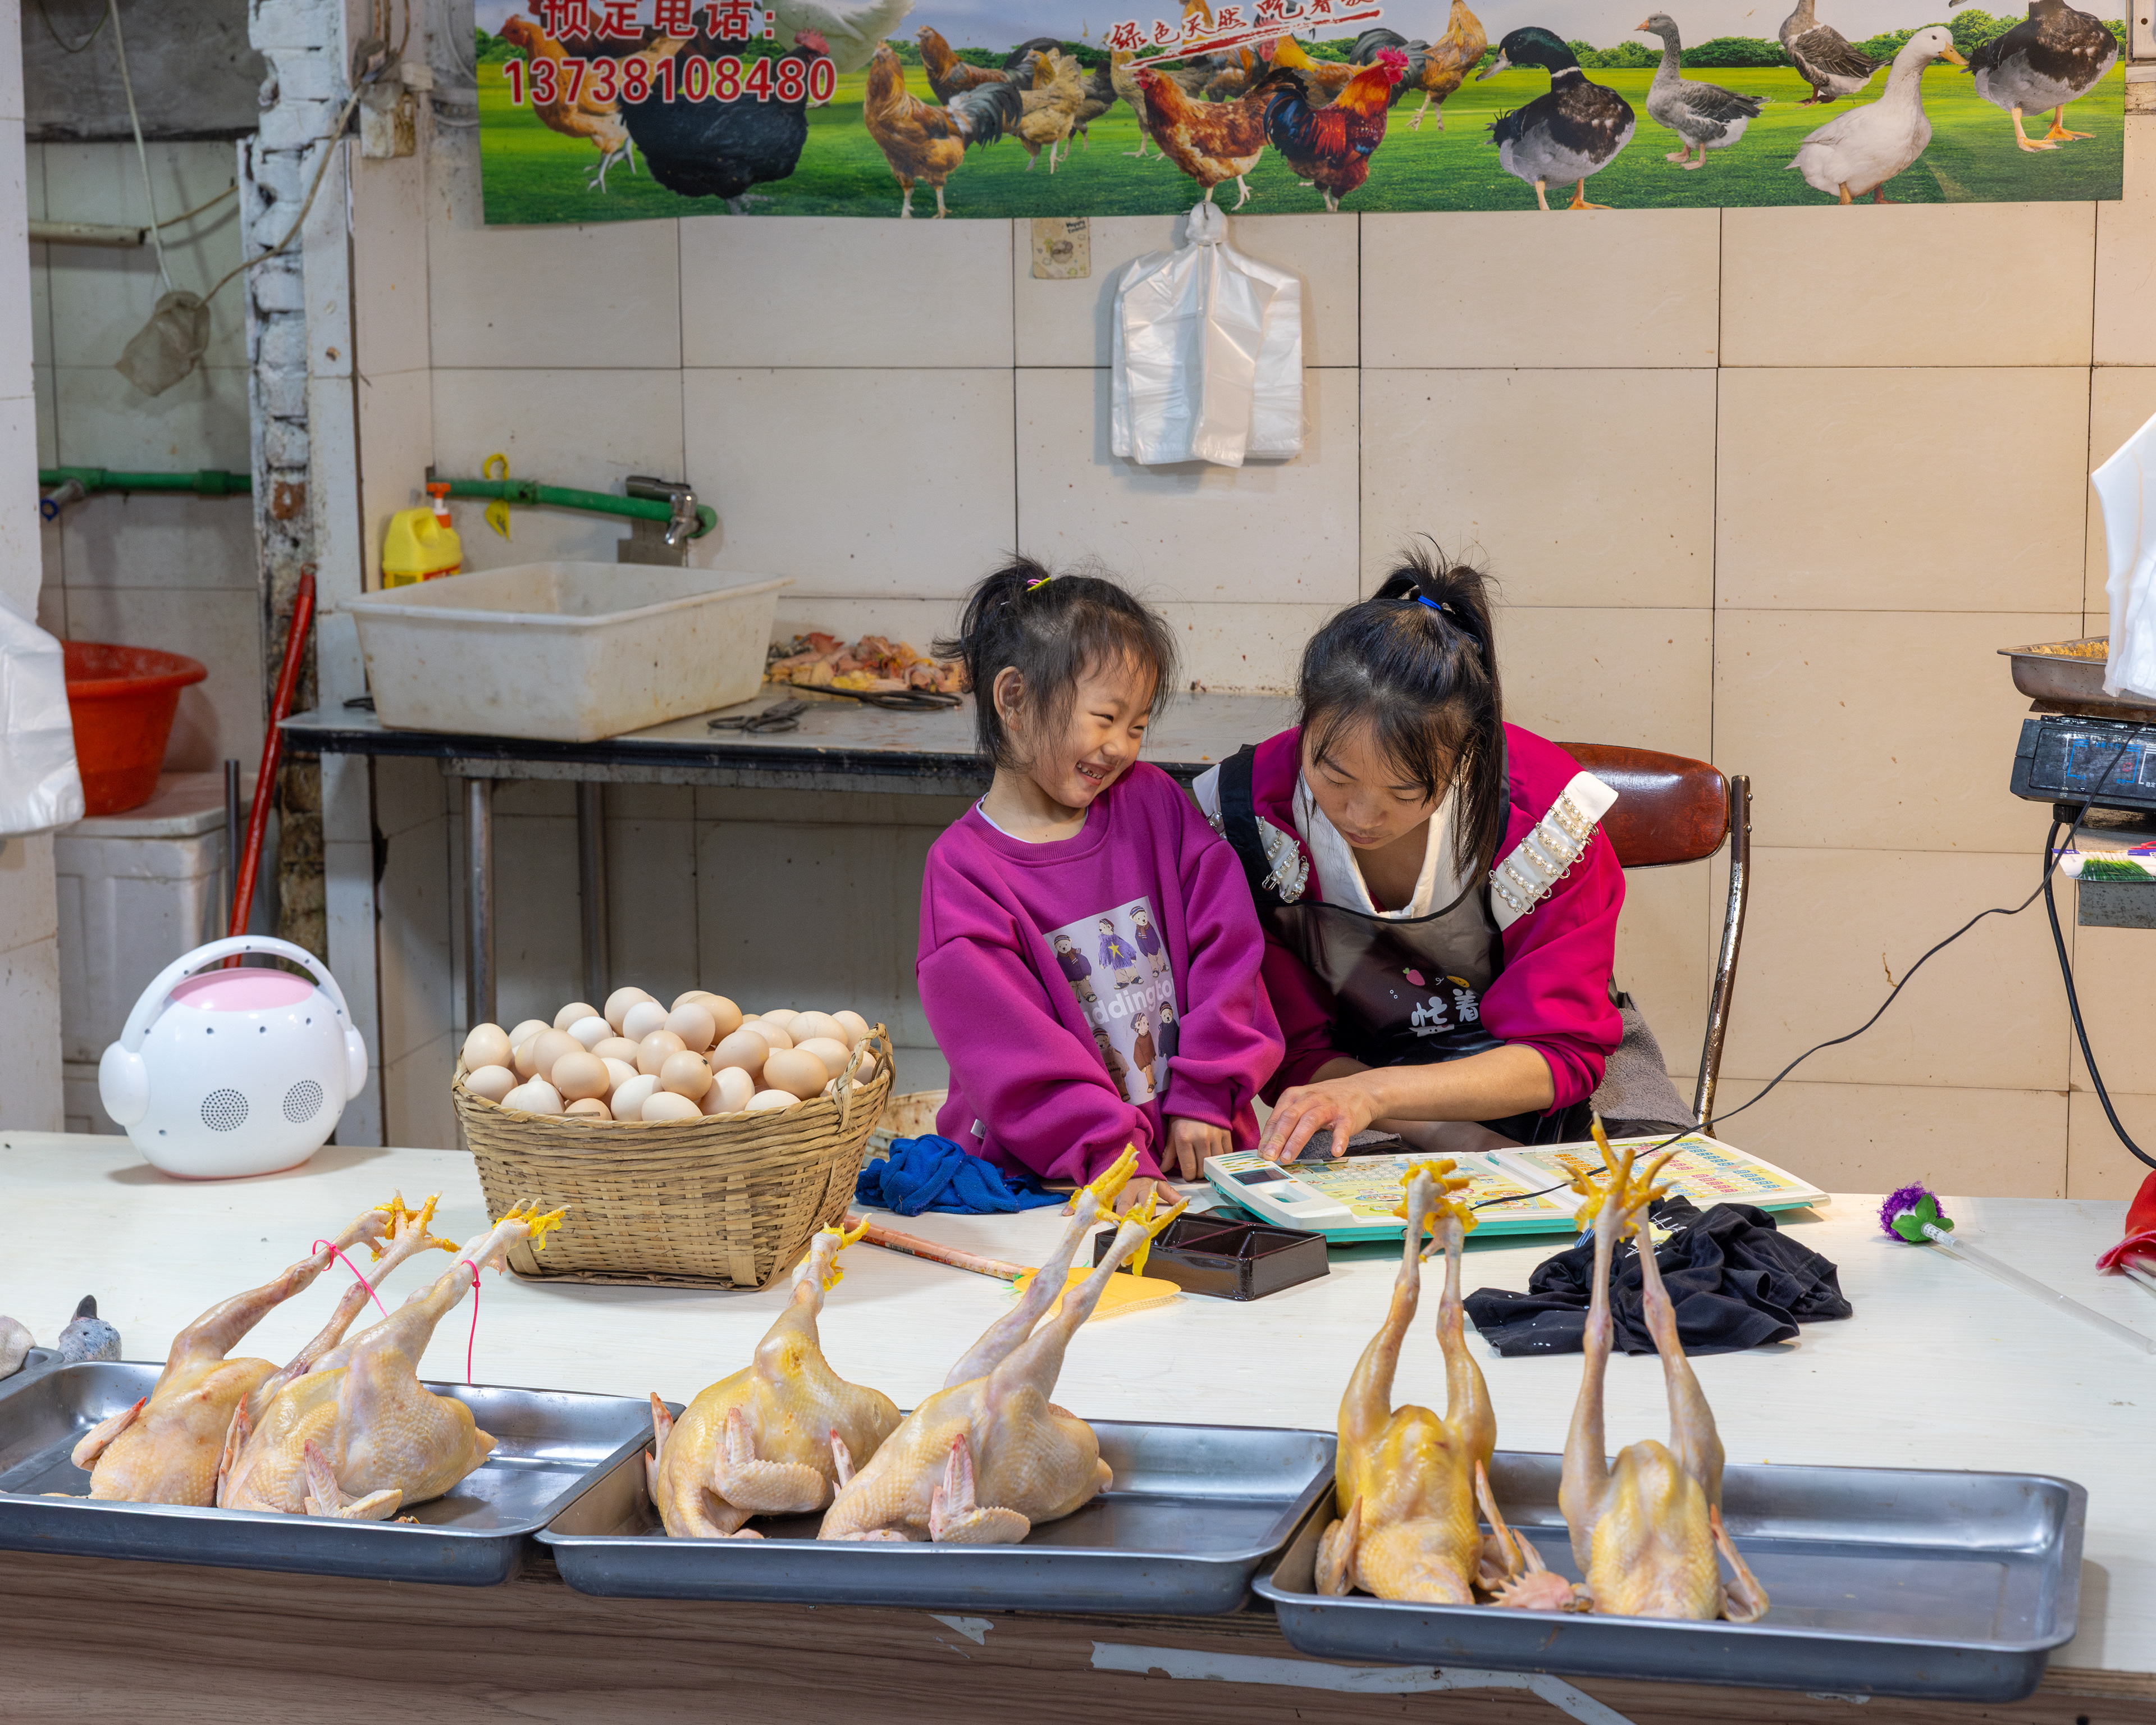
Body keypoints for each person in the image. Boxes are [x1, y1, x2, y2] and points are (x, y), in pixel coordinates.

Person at [1192, 546, 1692, 1164]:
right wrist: (1439, 1129)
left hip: (1551, 1075)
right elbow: (1292, 1049)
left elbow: (1565, 1049)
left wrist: (1383, 1093)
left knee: (1654, 1221)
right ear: (1305, 720)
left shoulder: (1541, 817)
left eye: (1406, 793)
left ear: (1464, 757)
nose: (1361, 817)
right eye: (1334, 776)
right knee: (1367, 1215)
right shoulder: (1248, 812)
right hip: (1353, 1084)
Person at [918, 556, 1285, 1213]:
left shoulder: (1152, 804)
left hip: (1194, 1158)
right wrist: (1114, 1161)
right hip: (1049, 1187)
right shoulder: (964, 874)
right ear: (1014, 699)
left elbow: (1228, 954)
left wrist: (1207, 1093)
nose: (1120, 747)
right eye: (1104, 718)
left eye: (1138, 726)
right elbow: (1014, 1058)